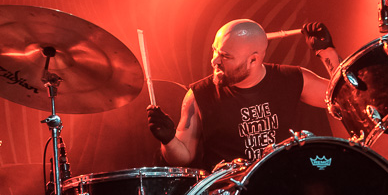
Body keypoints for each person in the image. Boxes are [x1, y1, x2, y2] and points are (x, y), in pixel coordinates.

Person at [146, 19, 341, 169]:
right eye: (215, 51)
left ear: (253, 60)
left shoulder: (290, 78)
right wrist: (169, 140)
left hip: (283, 186)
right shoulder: (198, 95)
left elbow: (344, 99)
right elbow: (184, 155)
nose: (215, 61)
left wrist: (327, 52)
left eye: (225, 56)